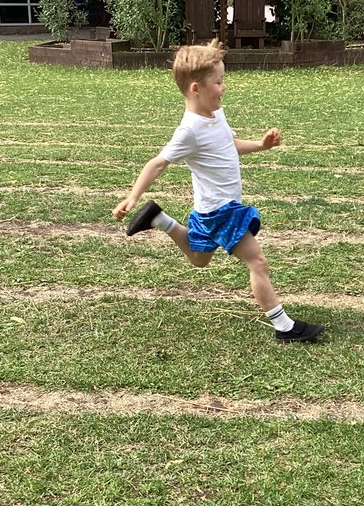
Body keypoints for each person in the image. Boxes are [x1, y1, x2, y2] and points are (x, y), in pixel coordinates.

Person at [112, 40, 325, 343]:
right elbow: (158, 163)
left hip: (208, 210)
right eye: (219, 82)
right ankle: (284, 326)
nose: (224, 88)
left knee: (199, 259)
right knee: (258, 262)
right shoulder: (189, 130)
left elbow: (229, 145)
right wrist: (132, 197)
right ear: (197, 88)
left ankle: (159, 220)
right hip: (222, 211)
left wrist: (261, 145)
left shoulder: (216, 115)